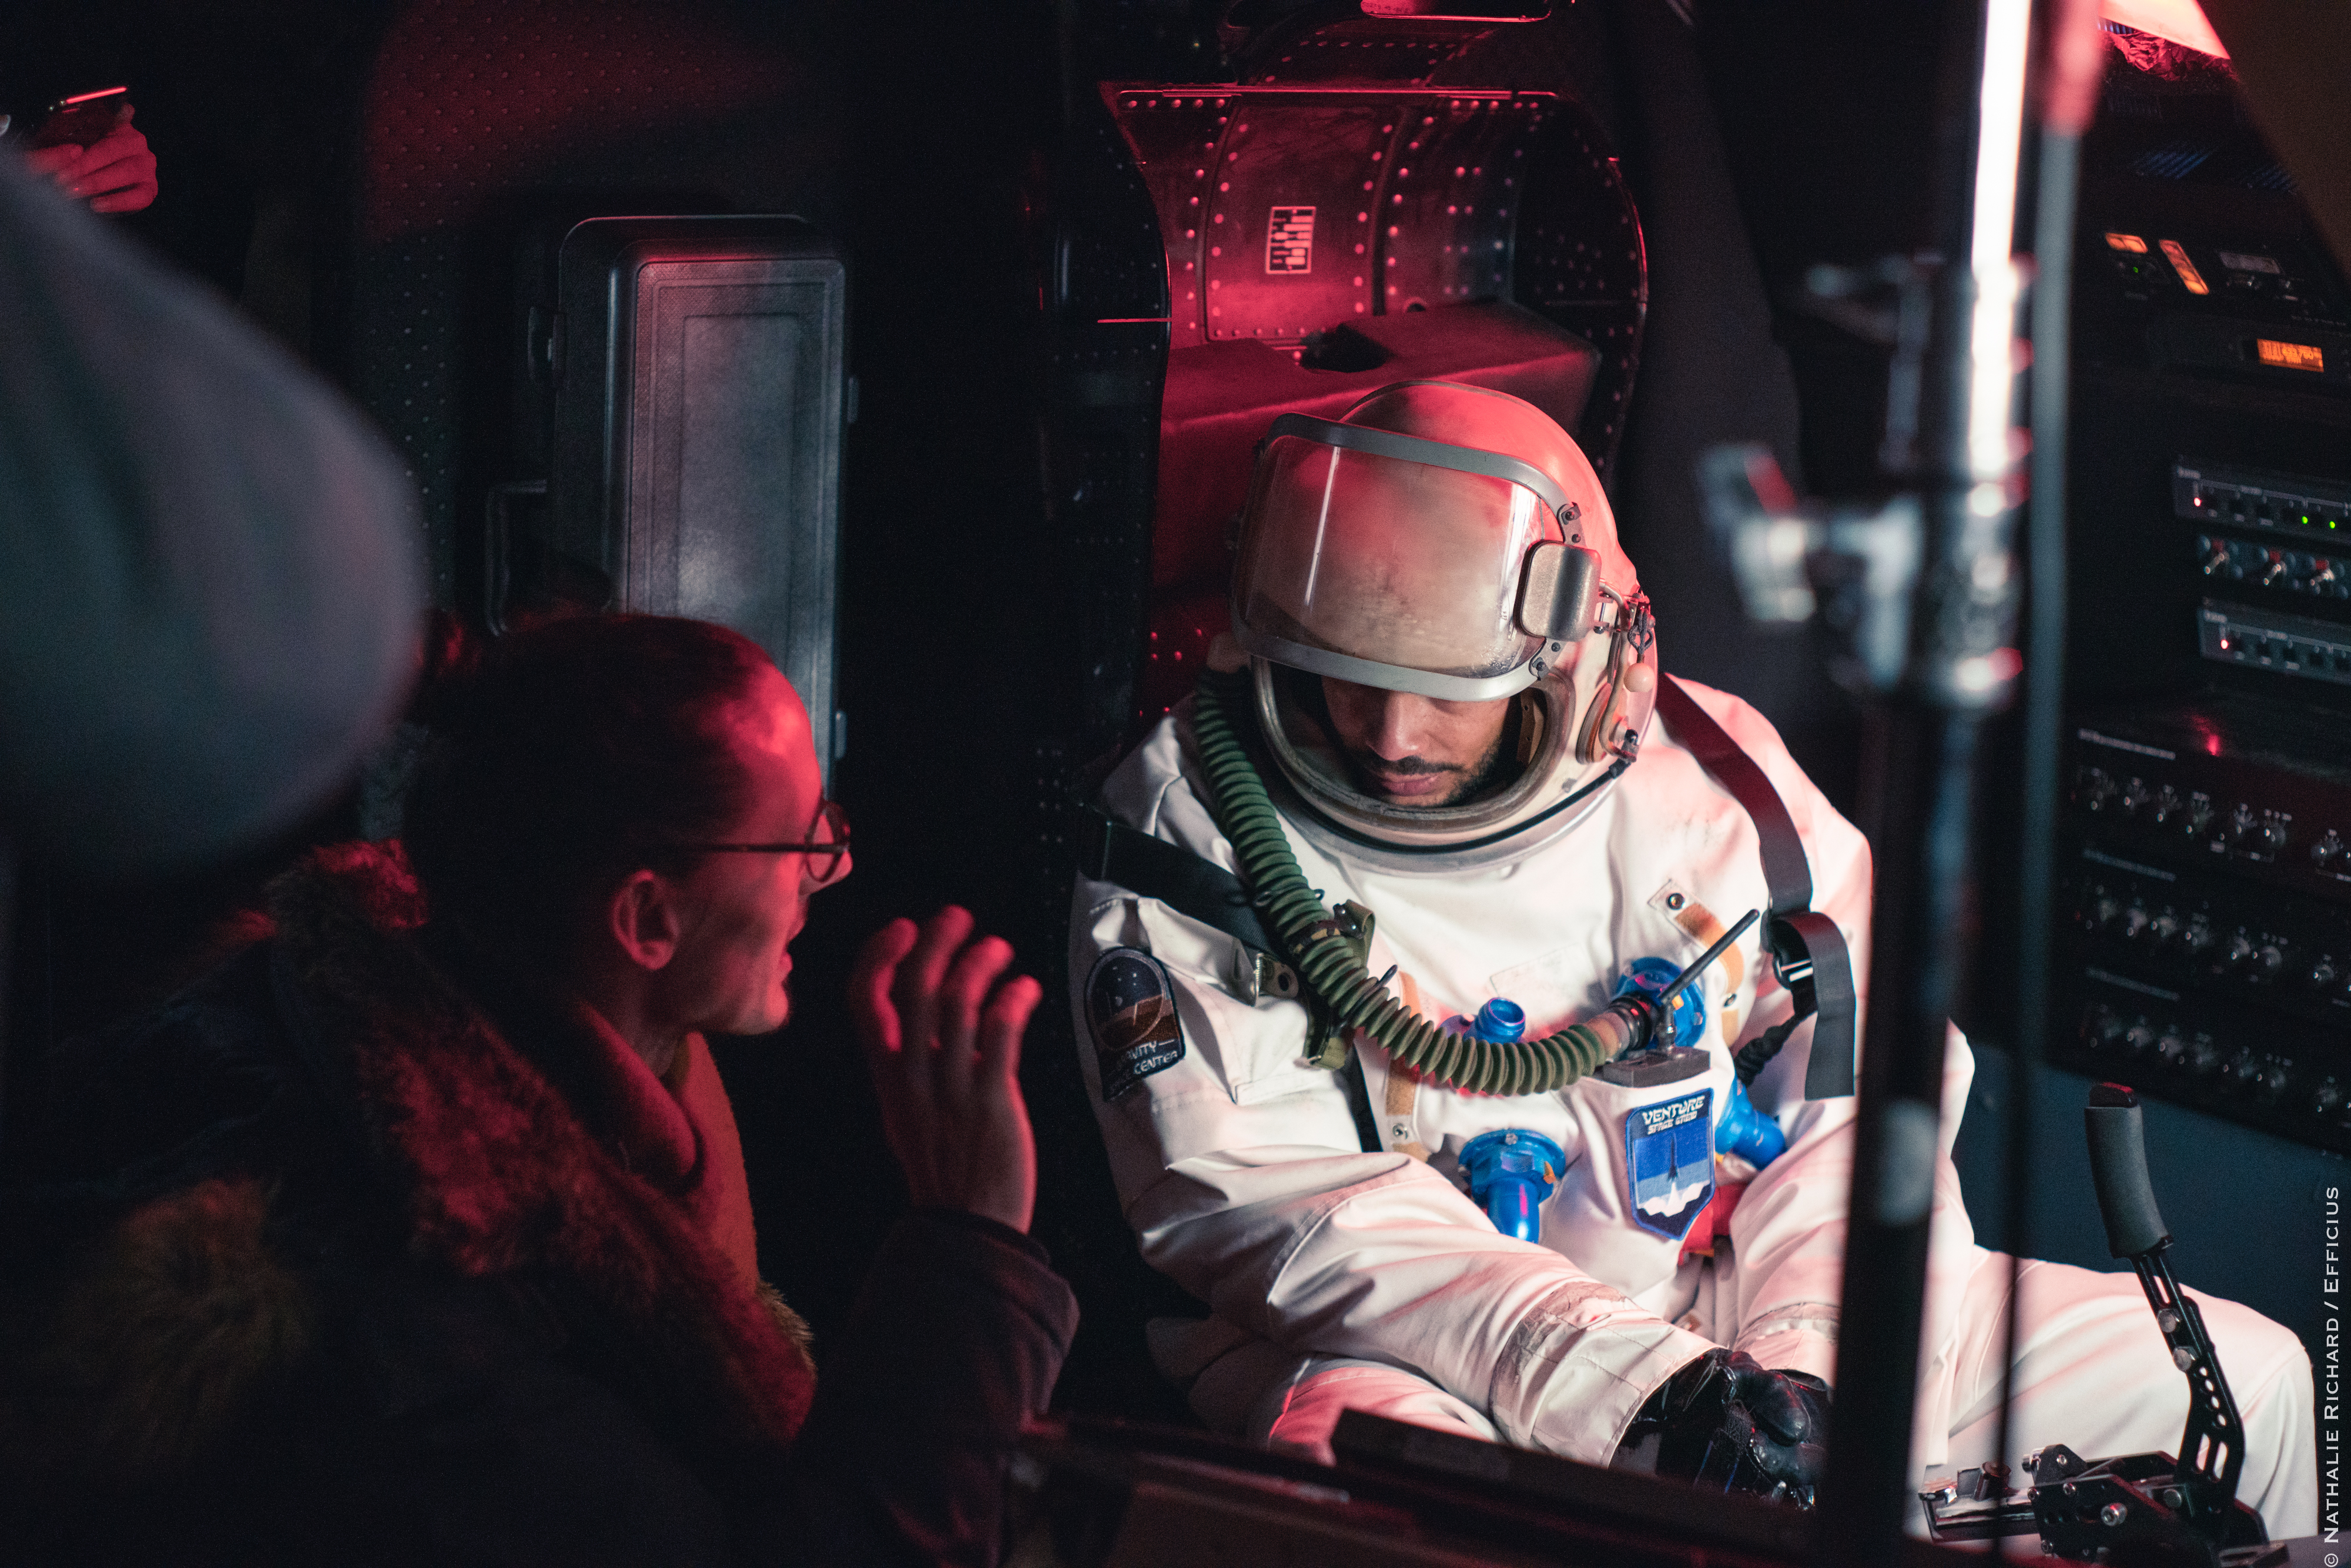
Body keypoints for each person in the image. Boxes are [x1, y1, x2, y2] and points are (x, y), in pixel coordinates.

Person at [1068, 380, 2315, 1532]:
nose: (1391, 735)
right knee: (1372, 1497)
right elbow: (1258, 1201)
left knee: (2247, 1379)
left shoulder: (1722, 790)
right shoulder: (1193, 828)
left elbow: (1853, 1117)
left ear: (1578, 646)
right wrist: (1648, 1392)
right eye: (1348, 682)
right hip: (1395, 1344)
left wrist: (1798, 1378)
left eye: (1452, 688)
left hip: (1726, 1300)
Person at [0, 614, 1077, 1566]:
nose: (827, 869)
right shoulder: (439, 1333)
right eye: (798, 840)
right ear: (648, 919)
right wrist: (969, 1245)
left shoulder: (533, 1088)